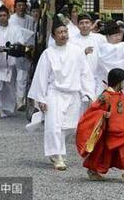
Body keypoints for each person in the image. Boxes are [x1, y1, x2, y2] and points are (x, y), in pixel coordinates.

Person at [27, 15, 95, 171]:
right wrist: (41, 99)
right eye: (60, 32)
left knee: (69, 126)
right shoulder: (48, 54)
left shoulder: (77, 51)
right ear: (54, 35)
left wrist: (88, 93)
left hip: (73, 93)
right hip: (54, 93)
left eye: (65, 31)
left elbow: (85, 73)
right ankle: (57, 155)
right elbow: (41, 77)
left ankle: (56, 151)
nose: (64, 35)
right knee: (54, 125)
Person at [76, 68, 124, 184]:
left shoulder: (121, 95)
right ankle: (93, 171)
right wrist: (103, 114)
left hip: (121, 130)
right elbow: (93, 111)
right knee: (101, 153)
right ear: (118, 81)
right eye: (123, 80)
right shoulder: (105, 96)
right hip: (109, 131)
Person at [0, 6, 34, 119]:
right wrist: (0, 48)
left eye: (5, 15)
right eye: (0, 16)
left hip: (9, 64)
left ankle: (4, 107)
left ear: (8, 16)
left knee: (7, 88)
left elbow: (20, 40)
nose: (3, 18)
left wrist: (17, 47)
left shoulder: (15, 29)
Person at [8, 0, 36, 111]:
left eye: (23, 5)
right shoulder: (11, 19)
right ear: (15, 7)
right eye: (19, 5)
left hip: (25, 49)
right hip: (13, 49)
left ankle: (21, 100)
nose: (21, 8)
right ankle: (13, 99)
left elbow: (33, 33)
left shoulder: (30, 19)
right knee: (12, 77)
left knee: (22, 75)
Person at [69, 13, 107, 81]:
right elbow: (70, 59)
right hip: (80, 77)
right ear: (77, 25)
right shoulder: (72, 41)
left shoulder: (100, 38)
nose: (84, 25)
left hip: (98, 77)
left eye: (87, 23)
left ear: (91, 24)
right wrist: (83, 53)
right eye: (81, 23)